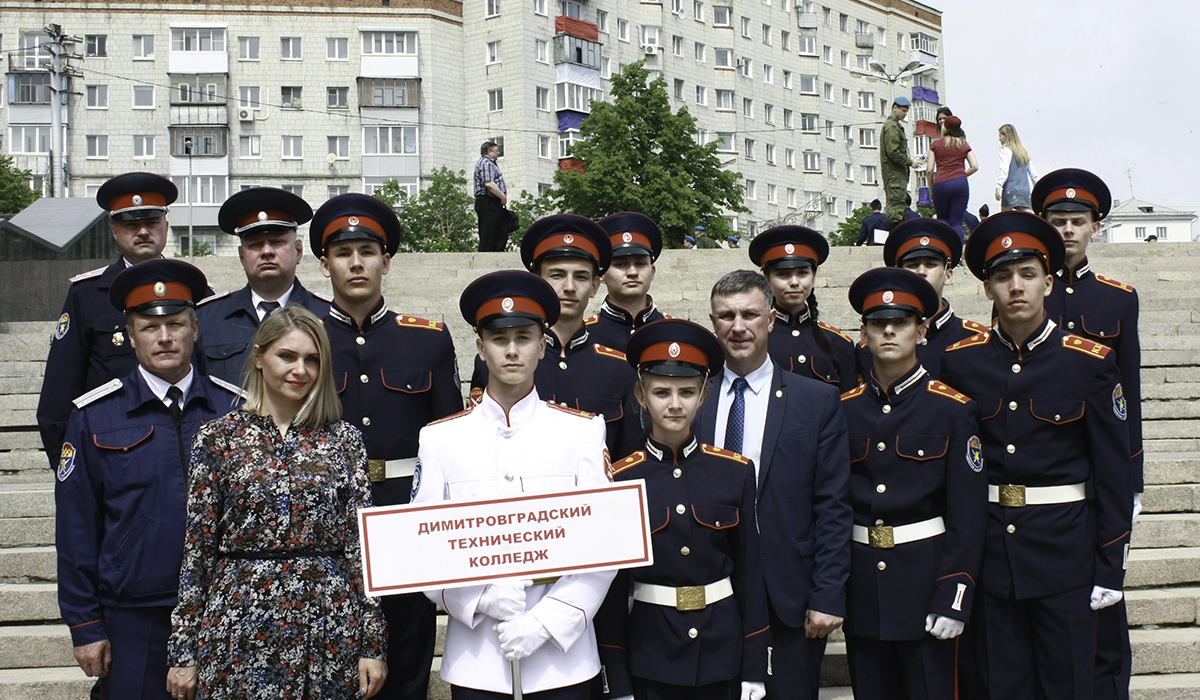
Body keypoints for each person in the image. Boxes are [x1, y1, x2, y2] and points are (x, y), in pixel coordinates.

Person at [940, 212, 1132, 700]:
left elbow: (1113, 473)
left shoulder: (1088, 362)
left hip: (1064, 557)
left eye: (1027, 274)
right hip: (989, 557)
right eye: (1002, 277)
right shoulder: (961, 363)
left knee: (1068, 685)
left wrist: (1111, 566)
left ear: (1049, 281)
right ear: (987, 290)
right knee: (997, 686)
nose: (1016, 286)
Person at [413, 270, 616, 700]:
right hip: (478, 659)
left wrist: (548, 621)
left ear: (543, 345)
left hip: (564, 659)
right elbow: (422, 548)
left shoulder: (581, 432)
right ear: (480, 347)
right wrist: (478, 597)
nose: (511, 350)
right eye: (499, 339)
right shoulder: (439, 438)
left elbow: (606, 547)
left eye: (524, 337)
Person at [166, 306, 386, 699]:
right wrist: (184, 647)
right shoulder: (218, 439)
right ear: (258, 357)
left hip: (327, 620)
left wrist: (372, 641)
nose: (300, 370)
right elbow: (197, 549)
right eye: (287, 356)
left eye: (312, 360)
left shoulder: (343, 440)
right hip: (239, 620)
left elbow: (362, 547)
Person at [55, 259, 240, 699]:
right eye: (149, 326)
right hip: (134, 620)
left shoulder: (235, 410)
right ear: (129, 334)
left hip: (225, 612)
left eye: (175, 324)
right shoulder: (94, 416)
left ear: (195, 327)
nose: (164, 337)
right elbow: (77, 528)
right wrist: (84, 623)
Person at [313, 193, 463, 700]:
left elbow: (448, 438)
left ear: (387, 261)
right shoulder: (301, 339)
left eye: (368, 251)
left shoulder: (427, 339)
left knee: (406, 663)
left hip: (406, 518)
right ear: (324, 264)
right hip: (327, 524)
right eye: (342, 252)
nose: (356, 263)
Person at [694, 270, 852, 700]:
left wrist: (828, 594)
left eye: (749, 314)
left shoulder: (815, 401)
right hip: (712, 594)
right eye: (726, 316)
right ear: (713, 323)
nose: (738, 326)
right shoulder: (693, 401)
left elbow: (833, 505)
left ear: (770, 320)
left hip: (790, 598)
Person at [597, 319, 768, 700]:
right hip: (651, 651)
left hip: (722, 650)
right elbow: (611, 593)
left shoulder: (735, 472)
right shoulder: (620, 480)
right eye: (661, 392)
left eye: (686, 392)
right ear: (641, 396)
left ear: (704, 396)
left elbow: (750, 575)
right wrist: (618, 680)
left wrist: (755, 666)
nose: (675, 404)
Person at [840, 267, 986, 700]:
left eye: (901, 322)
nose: (889, 330)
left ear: (922, 331)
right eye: (877, 322)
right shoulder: (842, 411)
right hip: (863, 587)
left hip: (926, 585)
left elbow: (969, 516)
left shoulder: (953, 410)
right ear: (862, 333)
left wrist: (954, 595)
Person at [1031, 169, 1142, 700]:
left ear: (1096, 226)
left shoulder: (1117, 300)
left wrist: (1133, 480)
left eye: (1078, 221)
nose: (1069, 230)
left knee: (1104, 599)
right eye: (1058, 221)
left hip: (1104, 471)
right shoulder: (1026, 288)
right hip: (1054, 470)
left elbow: (1130, 397)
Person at [37, 172, 183, 467]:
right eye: (131, 225)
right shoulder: (86, 295)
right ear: (115, 231)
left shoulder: (196, 292)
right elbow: (59, 392)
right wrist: (68, 470)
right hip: (113, 455)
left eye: (152, 222)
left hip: (184, 453)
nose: (143, 231)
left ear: (166, 226)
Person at [470, 214, 641, 461]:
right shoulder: (501, 361)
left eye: (581, 276)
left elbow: (627, 461)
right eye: (557, 275)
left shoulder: (620, 369)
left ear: (595, 286)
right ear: (538, 282)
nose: (569, 287)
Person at [195, 187, 331, 385]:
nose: (267, 251)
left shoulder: (329, 315)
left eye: (277, 242)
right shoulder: (207, 319)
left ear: (299, 251)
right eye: (255, 244)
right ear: (242, 256)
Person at [748, 227, 859, 392]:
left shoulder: (839, 343)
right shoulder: (752, 339)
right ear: (766, 277)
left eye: (802, 273)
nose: (794, 282)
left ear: (814, 276)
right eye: (783, 274)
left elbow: (849, 407)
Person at [881, 219, 988, 378]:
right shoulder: (878, 343)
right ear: (899, 275)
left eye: (931, 264)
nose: (921, 271)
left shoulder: (977, 338)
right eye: (912, 264)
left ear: (949, 275)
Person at [590, 212, 669, 352]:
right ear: (601, 275)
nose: (632, 272)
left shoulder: (673, 331)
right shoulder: (586, 334)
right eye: (620, 264)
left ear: (652, 271)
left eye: (640, 264)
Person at [928, 116, 979, 241]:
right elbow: (975, 166)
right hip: (960, 184)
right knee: (956, 222)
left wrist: (931, 190)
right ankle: (958, 255)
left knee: (943, 219)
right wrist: (962, 175)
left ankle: (945, 251)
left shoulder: (935, 145)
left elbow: (929, 170)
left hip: (941, 184)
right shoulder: (964, 144)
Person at [881, 96, 918, 229]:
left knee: (899, 210)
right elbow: (893, 152)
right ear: (894, 108)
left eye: (906, 111)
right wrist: (910, 162)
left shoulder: (895, 126)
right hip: (894, 175)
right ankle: (894, 240)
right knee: (895, 211)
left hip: (897, 175)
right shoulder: (891, 127)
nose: (905, 114)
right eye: (903, 110)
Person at [995, 124, 1040, 212]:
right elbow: (1034, 175)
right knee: (1027, 217)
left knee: (1005, 218)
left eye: (1000, 136)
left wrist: (998, 186)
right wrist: (1040, 189)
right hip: (1024, 191)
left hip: (1010, 190)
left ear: (1006, 136)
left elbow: (1004, 171)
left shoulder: (1004, 151)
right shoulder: (1024, 153)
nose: (999, 139)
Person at [475, 141, 510, 252]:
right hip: (488, 201)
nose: (498, 153)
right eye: (496, 150)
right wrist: (503, 197)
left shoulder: (490, 163)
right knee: (488, 234)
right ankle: (486, 259)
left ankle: (497, 257)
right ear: (489, 152)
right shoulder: (486, 163)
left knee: (500, 233)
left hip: (493, 202)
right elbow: (489, 183)